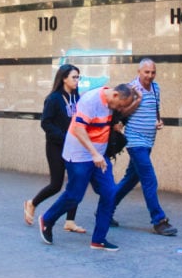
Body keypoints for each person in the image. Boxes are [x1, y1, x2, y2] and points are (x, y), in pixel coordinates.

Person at [38, 83, 136, 251]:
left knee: (109, 192)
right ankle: (47, 220)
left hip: (99, 155)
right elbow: (78, 128)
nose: (119, 110)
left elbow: (117, 116)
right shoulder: (90, 100)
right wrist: (94, 154)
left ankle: (99, 239)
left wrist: (136, 101)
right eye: (120, 105)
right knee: (75, 195)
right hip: (79, 154)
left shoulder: (114, 103)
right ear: (115, 96)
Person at [111, 58, 178, 236]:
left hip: (149, 140)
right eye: (146, 72)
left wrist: (158, 121)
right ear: (139, 71)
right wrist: (137, 100)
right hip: (134, 141)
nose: (150, 76)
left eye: (153, 72)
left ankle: (104, 210)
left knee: (130, 180)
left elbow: (155, 109)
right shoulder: (130, 88)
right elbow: (121, 112)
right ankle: (159, 220)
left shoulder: (156, 88)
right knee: (149, 178)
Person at [24, 64, 86, 234]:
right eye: (74, 77)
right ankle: (32, 203)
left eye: (78, 77)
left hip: (74, 147)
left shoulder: (76, 97)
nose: (76, 80)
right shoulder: (54, 99)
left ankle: (70, 221)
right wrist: (64, 137)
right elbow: (46, 123)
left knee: (76, 182)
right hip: (56, 146)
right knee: (56, 184)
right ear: (64, 78)